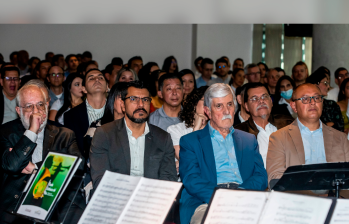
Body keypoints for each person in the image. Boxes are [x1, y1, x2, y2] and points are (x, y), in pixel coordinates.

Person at [179, 83, 268, 224]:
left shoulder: (248, 139)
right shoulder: (191, 141)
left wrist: (241, 193)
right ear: (207, 111)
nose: (226, 111)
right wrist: (223, 198)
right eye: (219, 106)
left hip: (244, 198)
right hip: (206, 201)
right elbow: (192, 180)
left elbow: (261, 176)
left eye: (229, 105)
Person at [0, 81, 85, 223]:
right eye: (29, 106)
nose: (36, 111)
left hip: (57, 202)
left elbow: (78, 168)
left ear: (47, 106)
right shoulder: (5, 133)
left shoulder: (64, 134)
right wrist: (32, 131)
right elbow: (13, 165)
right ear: (18, 111)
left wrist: (36, 169)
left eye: (40, 104)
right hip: (17, 205)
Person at [90, 80, 177, 189]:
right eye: (133, 99)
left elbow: (168, 180)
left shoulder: (163, 138)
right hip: (114, 197)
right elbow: (100, 180)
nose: (141, 104)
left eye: (145, 100)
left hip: (150, 199)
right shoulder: (104, 134)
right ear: (122, 105)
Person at [267, 83, 349, 189]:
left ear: (322, 102)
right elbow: (275, 180)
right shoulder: (279, 138)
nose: (313, 103)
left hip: (335, 198)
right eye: (305, 99)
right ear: (294, 106)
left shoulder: (340, 138)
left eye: (317, 98)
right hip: (298, 200)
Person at [235, 82, 293, 167]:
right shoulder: (239, 133)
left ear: (271, 102)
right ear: (246, 106)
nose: (261, 101)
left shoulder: (288, 123)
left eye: (264, 96)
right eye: (254, 99)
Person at [64, 68, 108, 156]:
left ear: (107, 87)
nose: (97, 80)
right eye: (91, 78)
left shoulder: (117, 111)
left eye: (100, 78)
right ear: (84, 89)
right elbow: (72, 149)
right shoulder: (71, 116)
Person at [167, 86, 209, 161]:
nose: (209, 107)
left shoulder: (216, 130)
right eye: (206, 102)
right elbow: (185, 158)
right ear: (194, 103)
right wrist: (196, 130)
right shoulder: (175, 130)